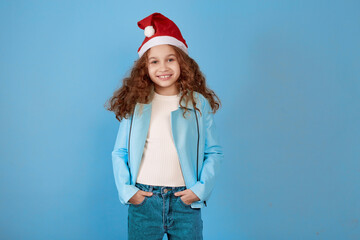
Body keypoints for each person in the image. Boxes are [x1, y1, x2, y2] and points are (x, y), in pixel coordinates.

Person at [105, 12, 224, 240]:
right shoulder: (136, 103)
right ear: (145, 68)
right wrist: (128, 192)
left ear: (182, 62)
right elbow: (119, 152)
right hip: (145, 201)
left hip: (184, 202)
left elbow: (214, 152)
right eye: (154, 61)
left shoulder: (198, 103)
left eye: (170, 59)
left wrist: (199, 191)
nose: (163, 67)